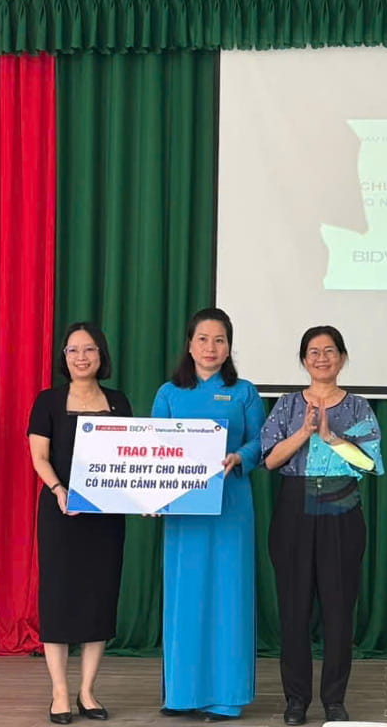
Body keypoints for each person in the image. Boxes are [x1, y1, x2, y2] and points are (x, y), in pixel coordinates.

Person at [260, 326, 384, 726]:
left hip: (341, 504)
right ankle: (296, 700)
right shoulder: (287, 405)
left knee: (338, 609)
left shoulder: (358, 407)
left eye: (330, 351)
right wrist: (305, 431)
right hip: (294, 506)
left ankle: (334, 700)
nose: (322, 358)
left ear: (342, 358)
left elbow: (369, 463)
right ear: (304, 360)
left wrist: (330, 438)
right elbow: (270, 459)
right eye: (314, 352)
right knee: (293, 609)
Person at [152, 307, 265, 722]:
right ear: (189, 344)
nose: (211, 347)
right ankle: (181, 694)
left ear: (229, 347)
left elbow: (261, 443)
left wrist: (240, 457)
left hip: (231, 506)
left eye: (220, 340)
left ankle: (225, 697)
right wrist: (151, 496)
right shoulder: (168, 393)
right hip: (184, 509)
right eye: (203, 339)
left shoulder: (244, 392)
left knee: (229, 595)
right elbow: (154, 448)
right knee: (185, 595)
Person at [27, 322, 133, 725]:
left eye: (89, 349)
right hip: (61, 511)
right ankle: (59, 692)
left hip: (106, 517)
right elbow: (39, 457)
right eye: (73, 350)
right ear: (64, 357)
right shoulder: (48, 401)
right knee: (58, 598)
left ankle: (87, 690)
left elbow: (130, 457)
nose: (81, 357)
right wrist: (59, 489)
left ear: (101, 355)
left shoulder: (118, 401)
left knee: (98, 598)